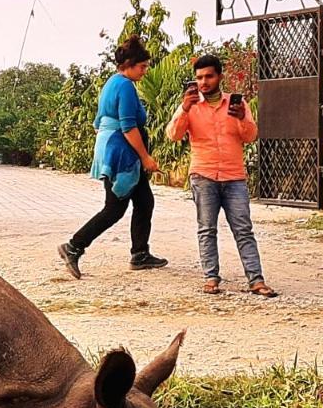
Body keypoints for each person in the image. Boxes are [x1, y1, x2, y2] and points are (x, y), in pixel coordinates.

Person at [167, 55, 277, 297]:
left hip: (234, 176)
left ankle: (256, 280)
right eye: (199, 77)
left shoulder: (237, 104)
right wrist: (185, 108)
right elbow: (173, 135)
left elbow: (250, 136)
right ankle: (211, 278)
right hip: (203, 175)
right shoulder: (190, 104)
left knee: (243, 229)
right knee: (207, 229)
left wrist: (240, 119)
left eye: (209, 76)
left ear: (219, 77)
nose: (203, 82)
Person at [58, 35, 167, 278]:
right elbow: (129, 127)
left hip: (113, 148)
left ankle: (140, 253)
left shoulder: (111, 83)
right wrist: (145, 157)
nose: (145, 71)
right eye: (142, 66)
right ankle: (74, 246)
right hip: (123, 153)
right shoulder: (125, 86)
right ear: (128, 64)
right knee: (114, 208)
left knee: (144, 201)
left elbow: (99, 123)